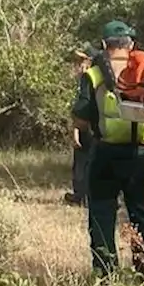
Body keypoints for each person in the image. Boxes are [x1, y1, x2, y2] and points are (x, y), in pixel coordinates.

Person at [73, 20, 144, 276]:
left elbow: (81, 119)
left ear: (103, 45)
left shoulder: (94, 75)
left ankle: (105, 275)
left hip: (106, 153)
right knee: (139, 213)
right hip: (141, 153)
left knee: (101, 212)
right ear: (130, 45)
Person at [63, 46, 94, 207]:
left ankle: (81, 196)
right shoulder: (99, 78)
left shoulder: (88, 78)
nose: (77, 64)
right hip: (95, 128)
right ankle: (83, 195)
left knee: (83, 163)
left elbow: (81, 108)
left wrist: (75, 130)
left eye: (81, 60)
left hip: (87, 128)